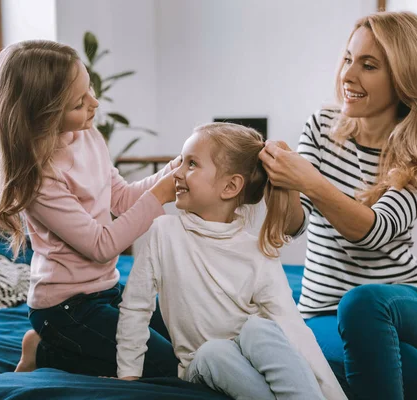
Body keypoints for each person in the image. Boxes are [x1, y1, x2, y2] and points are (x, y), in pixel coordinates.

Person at [259, 11, 417, 399]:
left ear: (404, 78)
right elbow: (294, 224)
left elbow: (373, 232)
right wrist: (283, 183)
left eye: (368, 65)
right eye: (347, 59)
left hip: (408, 307)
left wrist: (309, 179)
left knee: (361, 302)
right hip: (321, 310)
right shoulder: (321, 127)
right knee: (416, 374)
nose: (347, 75)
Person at [0, 40, 181, 378]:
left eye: (89, 89)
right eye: (79, 102)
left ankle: (53, 345)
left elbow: (120, 197)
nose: (94, 104)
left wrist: (171, 173)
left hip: (106, 289)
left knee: (183, 340)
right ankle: (47, 350)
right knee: (165, 365)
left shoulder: (88, 136)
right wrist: (159, 197)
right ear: (43, 114)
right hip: (66, 308)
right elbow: (101, 245)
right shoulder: (39, 176)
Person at [116, 122, 347, 400]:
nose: (175, 172)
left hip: (254, 362)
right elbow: (135, 308)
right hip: (202, 363)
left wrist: (334, 394)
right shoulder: (164, 233)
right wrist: (128, 379)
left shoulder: (256, 250)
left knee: (260, 328)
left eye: (191, 164)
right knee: (216, 350)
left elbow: (292, 327)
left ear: (230, 186)